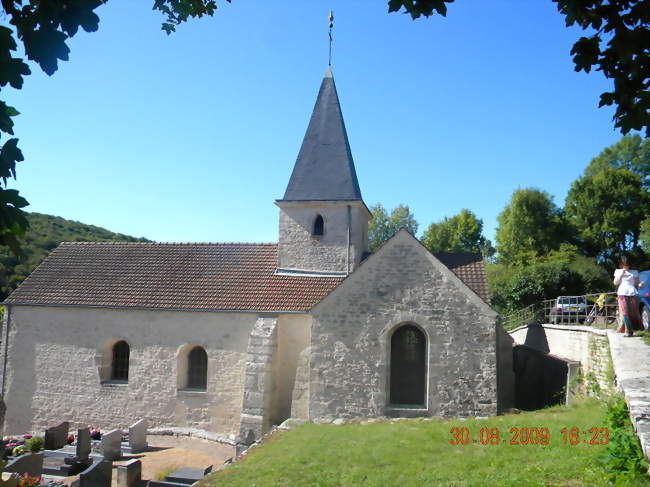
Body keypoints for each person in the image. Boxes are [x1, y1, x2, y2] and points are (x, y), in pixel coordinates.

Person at [614, 256, 645, 336]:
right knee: (625, 312)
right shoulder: (618, 271)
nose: (625, 266)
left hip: (632, 293)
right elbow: (615, 283)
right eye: (623, 264)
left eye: (627, 264)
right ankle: (627, 331)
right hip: (622, 293)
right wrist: (621, 274)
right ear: (621, 264)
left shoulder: (634, 272)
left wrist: (640, 284)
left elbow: (636, 283)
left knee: (633, 312)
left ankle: (632, 330)